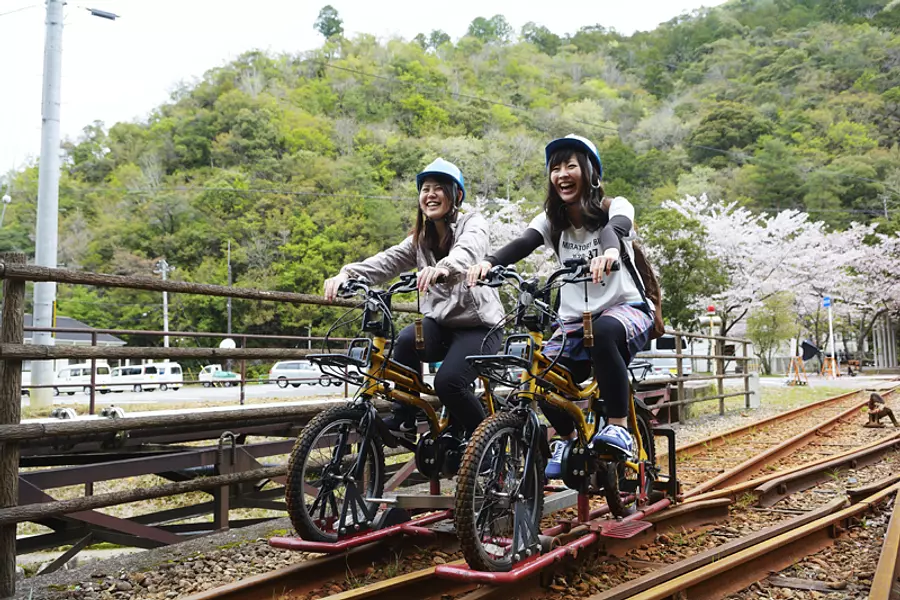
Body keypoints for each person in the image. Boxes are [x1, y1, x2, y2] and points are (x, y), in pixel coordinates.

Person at [466, 134, 655, 479]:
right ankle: (567, 439)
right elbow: (524, 241)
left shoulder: (616, 206)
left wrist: (610, 252)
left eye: (571, 165)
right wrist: (490, 263)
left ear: (591, 173)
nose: (562, 174)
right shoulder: (552, 221)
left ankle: (618, 427)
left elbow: (617, 228)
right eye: (556, 168)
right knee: (539, 368)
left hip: (625, 308)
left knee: (604, 332)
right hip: (573, 319)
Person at [324, 158, 504, 439]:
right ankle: (405, 417)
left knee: (449, 383)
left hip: (480, 326)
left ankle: (487, 443)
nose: (430, 195)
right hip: (441, 324)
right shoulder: (420, 239)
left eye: (438, 188)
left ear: (456, 194)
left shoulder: (473, 223)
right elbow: (386, 262)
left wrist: (444, 267)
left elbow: (468, 251)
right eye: (425, 189)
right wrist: (346, 274)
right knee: (405, 342)